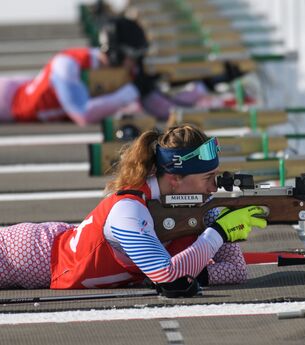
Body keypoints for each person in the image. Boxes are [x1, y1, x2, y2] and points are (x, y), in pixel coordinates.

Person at [0, 124, 267, 295]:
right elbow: (167, 275)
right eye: (208, 178)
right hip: (28, 255)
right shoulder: (128, 211)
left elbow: (236, 270)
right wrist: (218, 233)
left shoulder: (198, 205)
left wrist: (197, 264)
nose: (214, 188)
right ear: (175, 179)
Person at [0, 16, 247, 127]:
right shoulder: (67, 65)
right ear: (116, 53)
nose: (136, 65)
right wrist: (130, 92)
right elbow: (82, 116)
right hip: (7, 99)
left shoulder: (122, 73)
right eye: (133, 57)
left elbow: (161, 107)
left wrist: (207, 83)